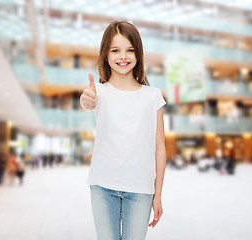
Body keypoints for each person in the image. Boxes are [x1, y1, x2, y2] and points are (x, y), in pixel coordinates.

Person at [80, 21, 166, 240]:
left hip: (141, 191)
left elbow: (160, 148)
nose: (123, 56)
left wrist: (158, 195)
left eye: (130, 50)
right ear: (105, 55)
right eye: (115, 50)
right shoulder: (98, 91)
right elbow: (87, 101)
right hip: (102, 186)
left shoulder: (153, 95)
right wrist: (87, 101)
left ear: (138, 54)